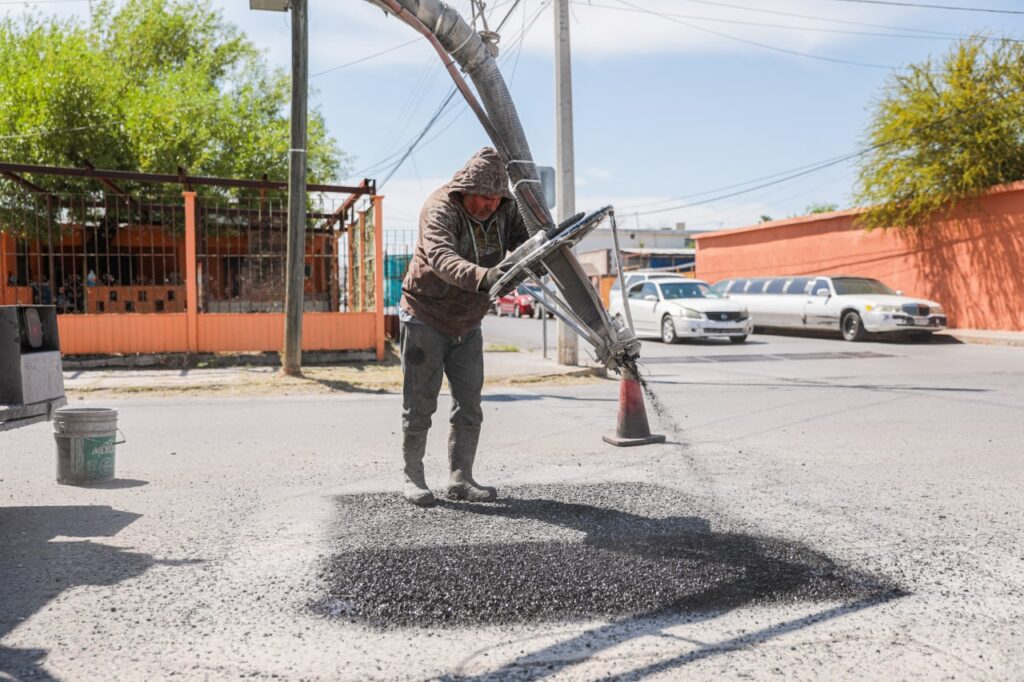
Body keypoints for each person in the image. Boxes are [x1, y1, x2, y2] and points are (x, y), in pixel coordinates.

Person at [399, 147, 529, 507]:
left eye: (495, 198)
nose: (489, 205)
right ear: (464, 189)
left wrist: (537, 255)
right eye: (483, 198)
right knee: (420, 403)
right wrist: (485, 276)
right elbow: (440, 258)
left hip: (469, 320)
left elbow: (526, 242)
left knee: (470, 403)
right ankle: (413, 477)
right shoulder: (440, 206)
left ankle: (460, 478)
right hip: (426, 315)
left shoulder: (505, 208)